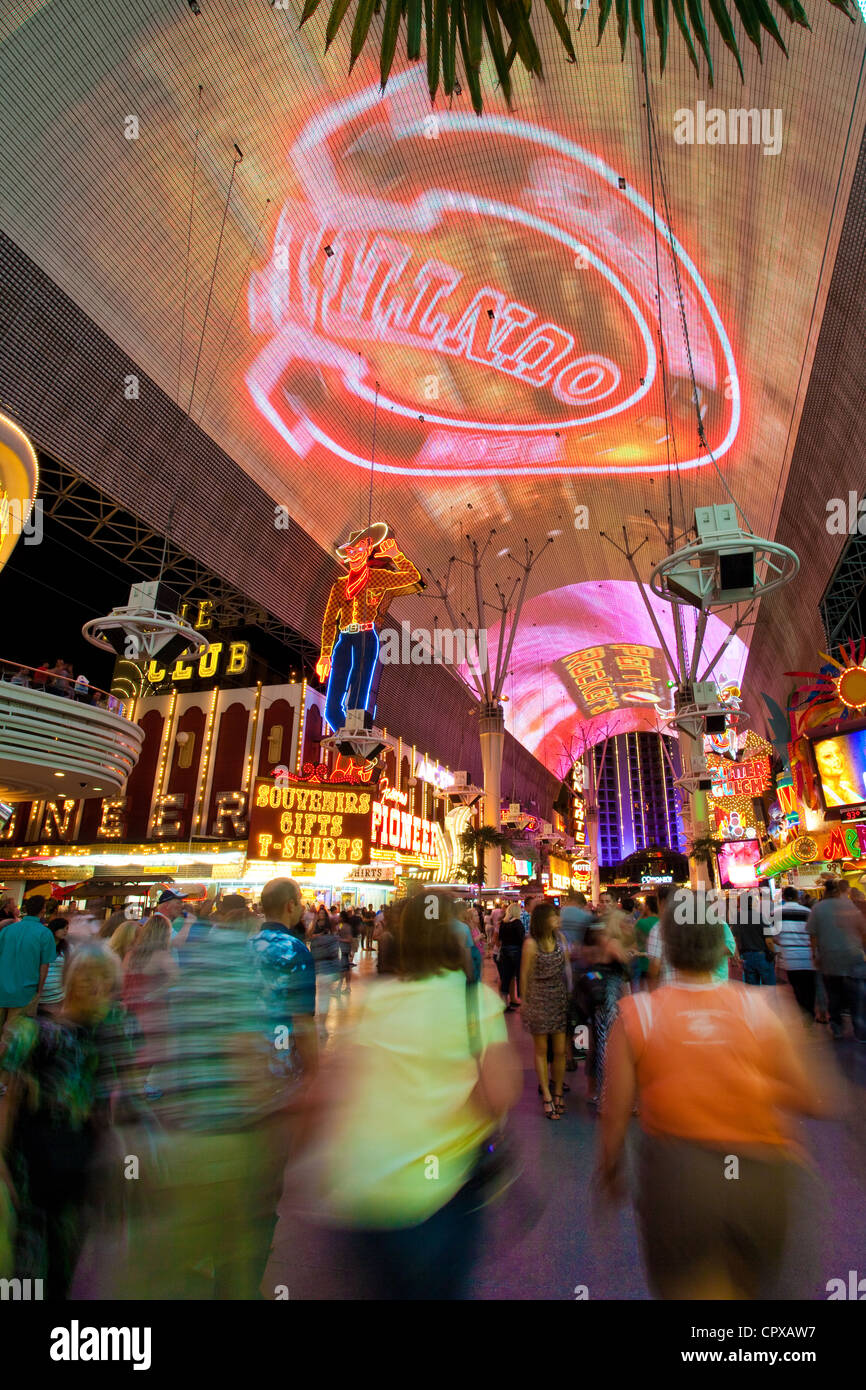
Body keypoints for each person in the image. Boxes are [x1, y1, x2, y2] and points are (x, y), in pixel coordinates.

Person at [597, 889, 842, 1299]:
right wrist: (749, 1081)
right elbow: (815, 1098)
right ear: (721, 947)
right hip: (762, 1174)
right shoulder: (765, 1007)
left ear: (670, 949)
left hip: (679, 1176)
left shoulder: (638, 1015)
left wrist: (609, 1170)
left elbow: (615, 1111)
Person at [308, 890, 521, 1299]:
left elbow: (335, 1090)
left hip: (365, 1190)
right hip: (438, 1194)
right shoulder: (473, 1002)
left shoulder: (374, 999)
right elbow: (499, 1093)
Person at [0, 946, 137, 1298]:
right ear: (71, 981)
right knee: (28, 1265)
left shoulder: (115, 1031)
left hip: (82, 1161)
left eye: (105, 978)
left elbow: (124, 1098)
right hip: (33, 1161)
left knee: (63, 1259)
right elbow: (8, 1099)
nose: (96, 986)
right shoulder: (34, 1034)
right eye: (88, 976)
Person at [249, 878, 318, 1083]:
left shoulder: (249, 943)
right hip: (280, 1060)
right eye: (300, 901)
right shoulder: (294, 949)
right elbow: (302, 1020)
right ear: (290, 905)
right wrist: (313, 1074)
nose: (303, 906)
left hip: (249, 1060)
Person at [520, 901, 570, 1118]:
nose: (557, 920)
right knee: (541, 1049)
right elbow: (524, 974)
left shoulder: (561, 940)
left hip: (558, 996)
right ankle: (548, 1095)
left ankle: (558, 1090)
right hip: (539, 998)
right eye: (553, 916)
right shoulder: (531, 944)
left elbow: (566, 968)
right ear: (543, 920)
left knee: (560, 1050)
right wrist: (525, 1002)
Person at [807, 879, 866, 1040]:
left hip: (830, 958)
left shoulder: (818, 908)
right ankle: (861, 1032)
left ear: (825, 891)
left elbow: (812, 935)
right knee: (857, 997)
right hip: (854, 957)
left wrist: (815, 955)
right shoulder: (849, 906)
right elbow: (863, 931)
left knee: (834, 995)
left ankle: (837, 1027)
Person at [0, 895, 55, 1047]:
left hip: (2, 987)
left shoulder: (8, 930)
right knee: (13, 1042)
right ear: (43, 910)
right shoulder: (45, 933)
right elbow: (44, 966)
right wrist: (39, 991)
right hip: (26, 991)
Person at [773, 886, 817, 1021]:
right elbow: (814, 934)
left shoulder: (776, 913)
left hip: (790, 958)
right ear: (798, 897)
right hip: (808, 958)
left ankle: (805, 1016)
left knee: (797, 989)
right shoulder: (808, 912)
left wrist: (784, 943)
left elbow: (773, 936)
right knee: (810, 989)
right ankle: (809, 1014)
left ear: (784, 898)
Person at [732, 887, 778, 985]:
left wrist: (736, 956)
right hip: (762, 956)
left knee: (752, 991)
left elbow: (734, 939)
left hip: (747, 956)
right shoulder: (760, 916)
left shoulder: (737, 918)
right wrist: (774, 953)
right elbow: (769, 940)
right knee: (769, 989)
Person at [309, 913, 341, 1038]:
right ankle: (322, 1027)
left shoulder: (314, 941)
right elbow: (334, 954)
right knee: (325, 1000)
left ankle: (319, 1026)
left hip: (318, 971)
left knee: (320, 998)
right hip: (329, 972)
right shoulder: (333, 939)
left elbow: (313, 955)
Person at [496, 903, 525, 1010]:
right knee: (520, 975)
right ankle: (520, 999)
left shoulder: (503, 923)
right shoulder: (517, 923)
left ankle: (504, 1002)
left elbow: (500, 938)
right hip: (516, 950)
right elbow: (521, 938)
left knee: (506, 976)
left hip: (505, 951)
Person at [39, 918, 70, 1017]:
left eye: (67, 929)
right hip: (39, 995)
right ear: (55, 929)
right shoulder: (42, 945)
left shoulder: (66, 949)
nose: (65, 931)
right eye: (63, 928)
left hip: (57, 996)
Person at [632, 894, 658, 992]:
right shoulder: (662, 922)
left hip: (644, 963)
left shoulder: (641, 923)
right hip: (658, 963)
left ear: (647, 907)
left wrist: (642, 915)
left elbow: (632, 933)